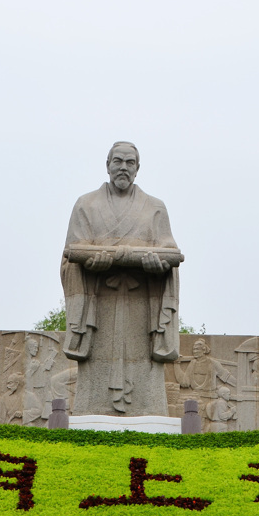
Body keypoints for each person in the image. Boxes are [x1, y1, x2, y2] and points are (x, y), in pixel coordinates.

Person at [61, 142, 181, 416]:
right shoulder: (86, 205)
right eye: (118, 161)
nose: (123, 167)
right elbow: (71, 255)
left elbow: (171, 253)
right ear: (107, 165)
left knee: (147, 382)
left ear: (138, 169)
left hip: (143, 309)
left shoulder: (154, 208)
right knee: (94, 379)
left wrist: (157, 265)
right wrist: (93, 263)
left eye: (129, 163)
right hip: (98, 308)